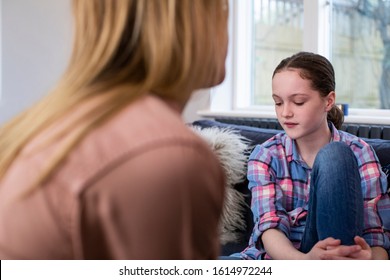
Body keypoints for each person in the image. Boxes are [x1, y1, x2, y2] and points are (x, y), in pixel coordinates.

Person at [0, 0, 229, 259]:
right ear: (191, 21)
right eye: (220, 9)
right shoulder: (164, 154)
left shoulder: (52, 122)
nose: (226, 25)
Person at [238, 51, 390, 260]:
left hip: (342, 260)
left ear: (328, 102)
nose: (285, 113)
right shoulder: (266, 155)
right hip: (284, 261)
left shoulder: (360, 152)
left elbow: (376, 236)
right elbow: (269, 226)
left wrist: (369, 262)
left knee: (335, 155)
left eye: (298, 102)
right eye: (278, 102)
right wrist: (306, 263)